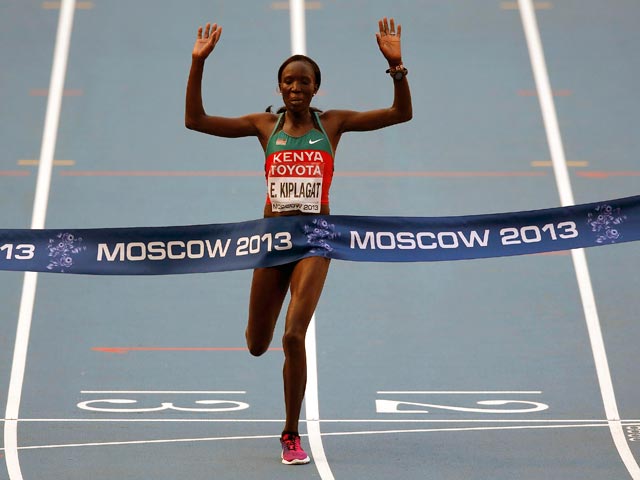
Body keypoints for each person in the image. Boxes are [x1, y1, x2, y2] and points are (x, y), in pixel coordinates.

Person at [185, 17, 412, 465]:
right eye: (289, 81)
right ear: (280, 86)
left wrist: (396, 67)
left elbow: (399, 114)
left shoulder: (333, 124)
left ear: (315, 89)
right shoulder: (263, 126)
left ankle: (290, 433)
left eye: (304, 82)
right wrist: (198, 63)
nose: (295, 88)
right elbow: (196, 121)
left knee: (293, 335)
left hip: (314, 239)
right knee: (257, 343)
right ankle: (276, 385)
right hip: (272, 240)